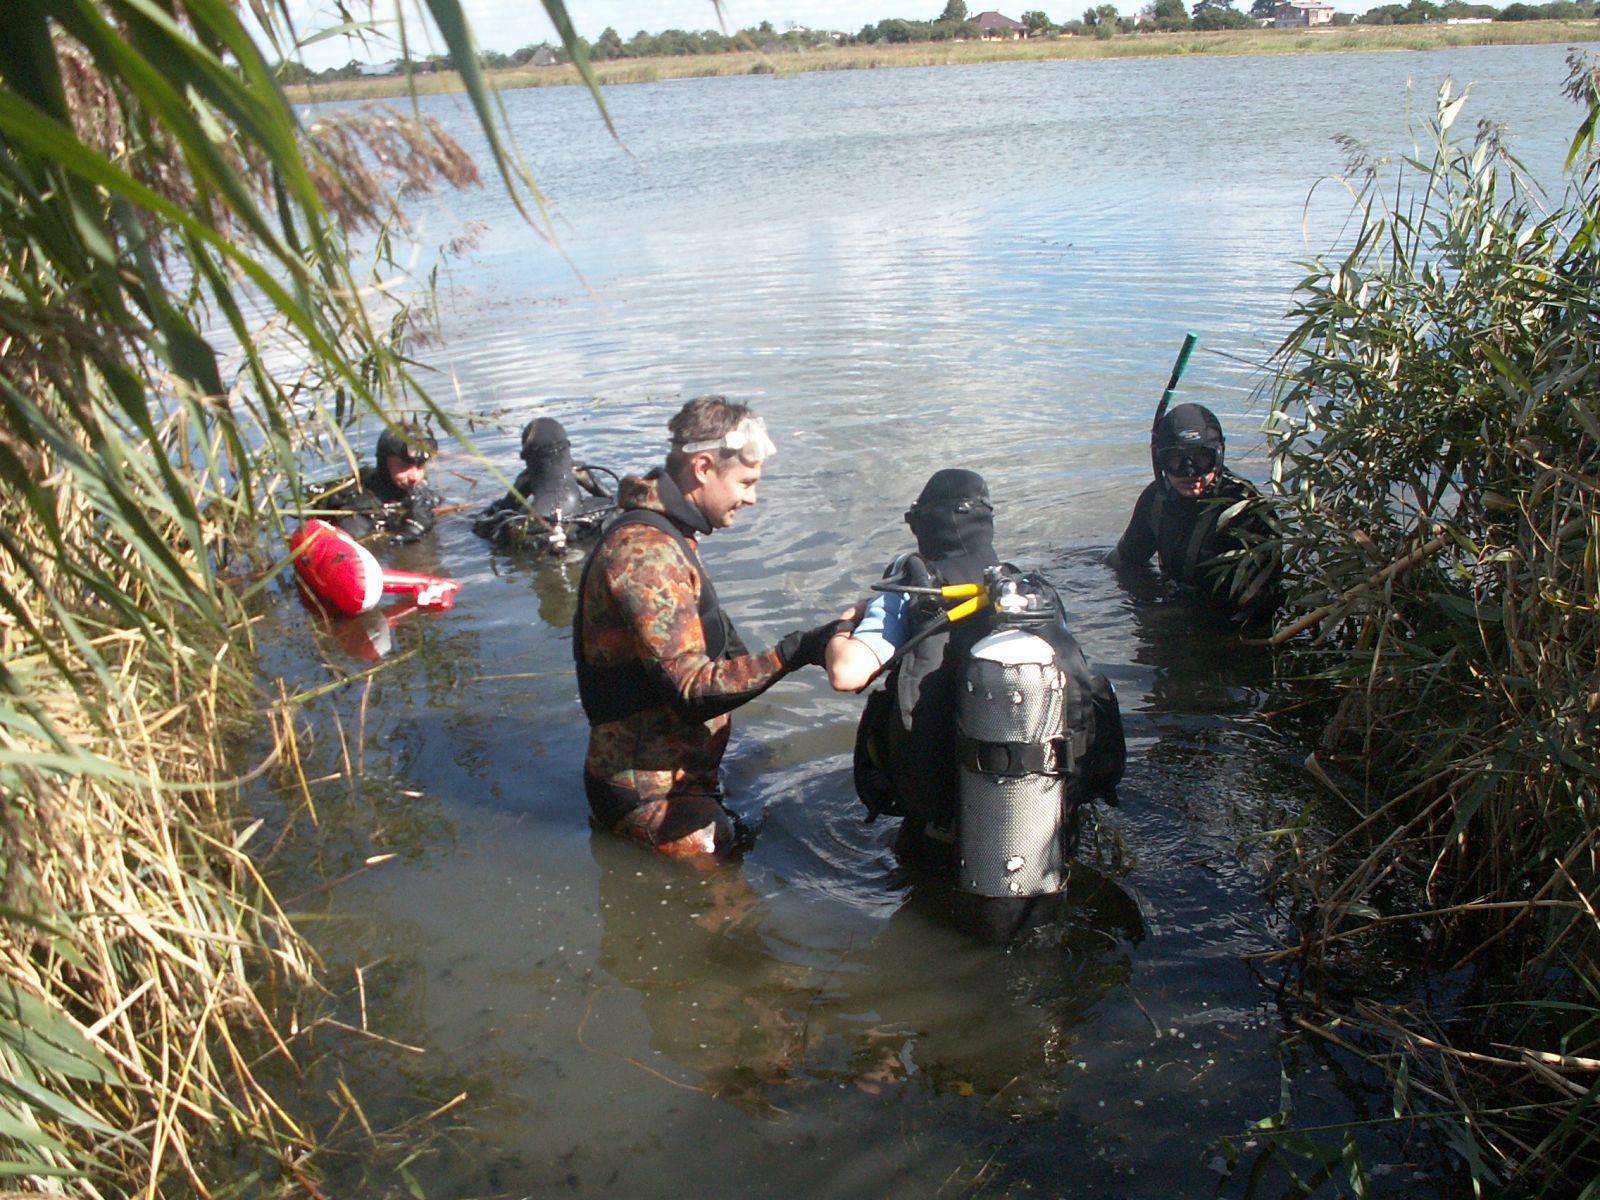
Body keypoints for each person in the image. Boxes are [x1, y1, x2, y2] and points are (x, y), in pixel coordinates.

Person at [573, 396, 850, 860]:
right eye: (745, 482)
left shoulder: (670, 536)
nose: (752, 498)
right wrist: (797, 651)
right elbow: (692, 690)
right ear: (703, 467)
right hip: (650, 797)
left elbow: (719, 655)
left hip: (681, 776)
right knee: (733, 896)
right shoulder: (646, 554)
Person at [827, 469, 1124, 875]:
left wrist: (845, 623)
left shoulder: (909, 593)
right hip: (1043, 820)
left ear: (921, 526)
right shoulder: (1030, 593)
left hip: (940, 826)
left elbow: (846, 674)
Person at [1105, 402, 1280, 621]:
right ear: (1160, 461)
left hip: (1229, 626)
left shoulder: (1246, 509)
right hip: (1175, 613)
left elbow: (1259, 602)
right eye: (1176, 459)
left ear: (1219, 455)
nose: (1190, 472)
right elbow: (1125, 562)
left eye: (1202, 458)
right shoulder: (1155, 500)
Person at [472, 416, 617, 553]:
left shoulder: (513, 528)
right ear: (567, 451)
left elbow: (481, 523)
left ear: (527, 459)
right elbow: (621, 502)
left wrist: (514, 494)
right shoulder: (601, 514)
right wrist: (593, 483)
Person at [312, 423, 444, 543]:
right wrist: (409, 534)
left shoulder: (422, 493)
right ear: (384, 464)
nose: (414, 477)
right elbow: (355, 551)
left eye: (420, 466)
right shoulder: (360, 508)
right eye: (403, 466)